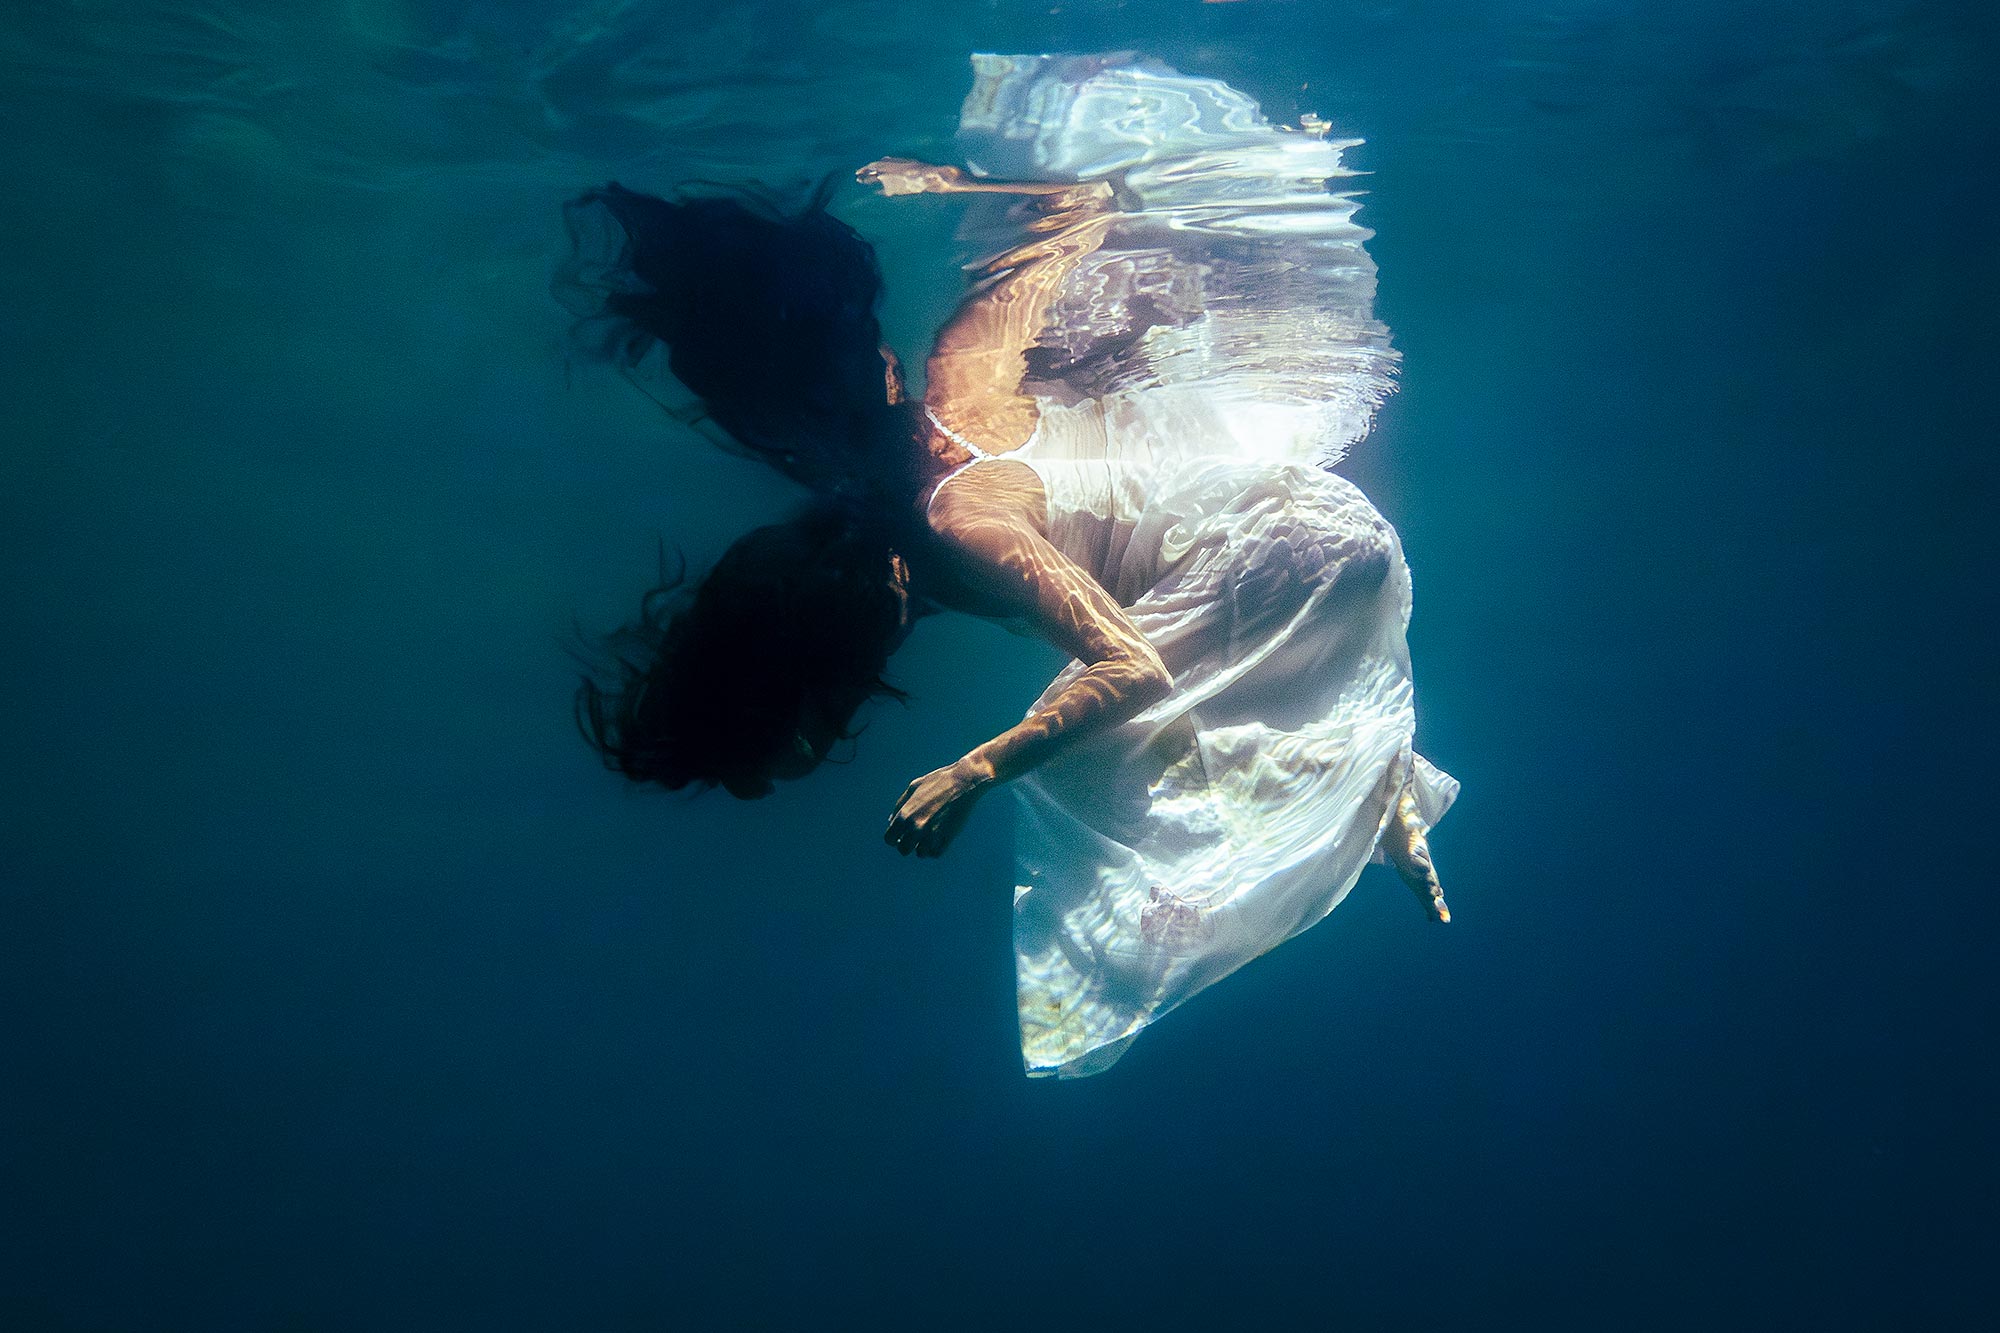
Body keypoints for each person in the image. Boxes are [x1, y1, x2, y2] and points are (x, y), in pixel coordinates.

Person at [561, 53, 1458, 1077]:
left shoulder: (945, 525)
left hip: (1290, 563)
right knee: (1123, 735)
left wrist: (975, 768)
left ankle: (1360, 777)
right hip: (1307, 548)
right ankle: (1363, 768)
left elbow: (1135, 667)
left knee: (1085, 764)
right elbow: (1069, 227)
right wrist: (1017, 200)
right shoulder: (940, 415)